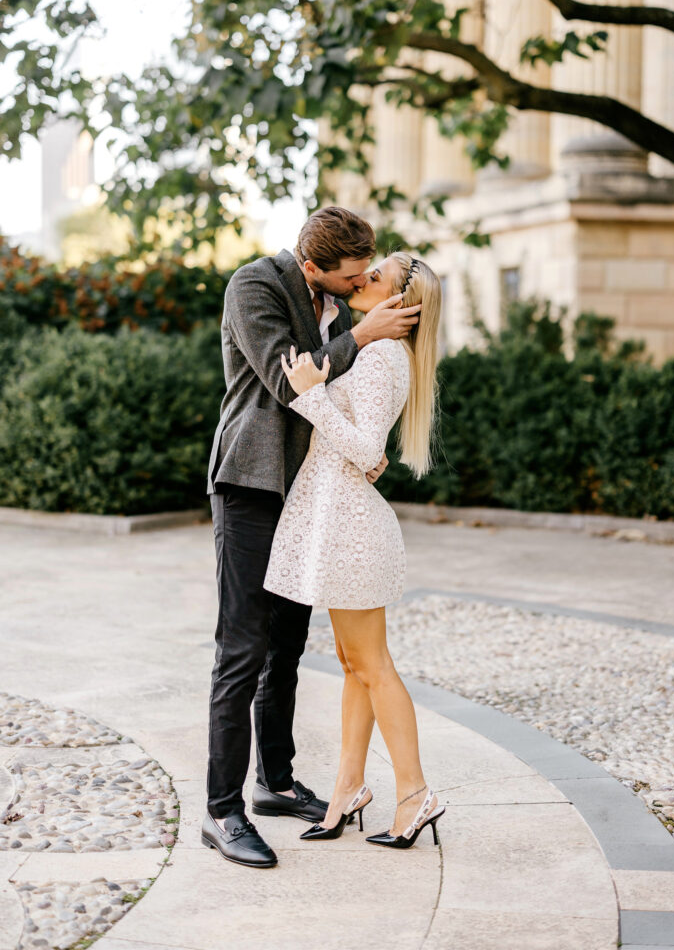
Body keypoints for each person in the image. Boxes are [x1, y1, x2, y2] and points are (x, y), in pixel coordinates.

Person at [202, 208, 422, 868]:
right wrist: (369, 334)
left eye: (366, 273)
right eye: (349, 275)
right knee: (241, 647)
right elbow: (286, 378)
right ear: (310, 267)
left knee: (287, 648)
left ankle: (273, 782)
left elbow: (348, 403)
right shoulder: (254, 287)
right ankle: (221, 811)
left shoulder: (334, 297)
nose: (358, 284)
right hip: (250, 484)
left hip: (307, 496)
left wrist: (358, 451)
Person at [263, 251, 445, 850]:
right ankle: (347, 790)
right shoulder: (371, 351)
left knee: (373, 666)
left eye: (377, 276)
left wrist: (311, 395)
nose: (363, 279)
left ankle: (415, 795)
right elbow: (367, 448)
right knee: (352, 664)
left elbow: (367, 450)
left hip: (352, 531)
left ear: (402, 304)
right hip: (339, 524)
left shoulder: (383, 357)